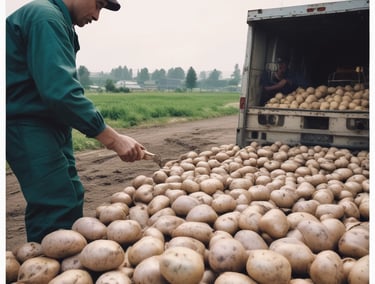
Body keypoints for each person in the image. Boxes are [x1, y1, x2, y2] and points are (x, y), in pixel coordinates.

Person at [6, 0, 146, 243]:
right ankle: (47, 269)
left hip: (51, 123)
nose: (97, 16)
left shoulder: (58, 21)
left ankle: (65, 265)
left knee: (70, 194)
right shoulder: (45, 17)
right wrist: (113, 140)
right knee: (56, 203)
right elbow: (61, 92)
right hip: (27, 123)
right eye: (98, 5)